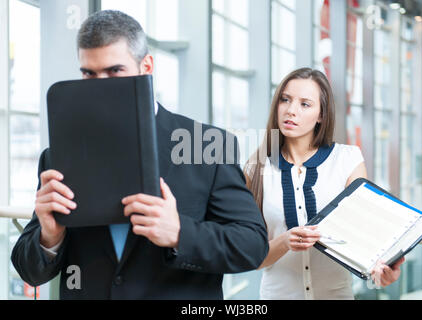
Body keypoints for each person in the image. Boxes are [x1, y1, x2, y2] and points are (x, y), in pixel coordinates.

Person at [11, 10, 268, 300]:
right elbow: (29, 269)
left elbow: (253, 245)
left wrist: (180, 233)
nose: (101, 85)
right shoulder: (59, 156)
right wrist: (49, 237)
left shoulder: (206, 145)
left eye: (114, 71)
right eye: (89, 73)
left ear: (146, 66)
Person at [244, 68, 404, 300]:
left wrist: (381, 273)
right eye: (285, 99)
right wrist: (283, 242)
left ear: (321, 114)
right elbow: (252, 258)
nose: (291, 110)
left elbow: (364, 237)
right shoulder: (255, 168)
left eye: (305, 104)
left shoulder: (348, 160)